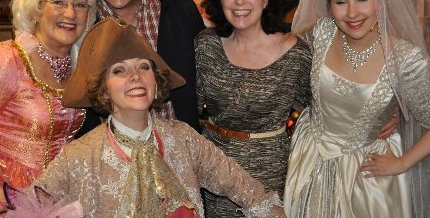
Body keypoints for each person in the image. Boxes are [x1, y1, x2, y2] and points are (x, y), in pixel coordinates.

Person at [2, 18, 287, 217]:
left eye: (143, 67)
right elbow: (26, 208)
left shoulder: (184, 139)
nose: (135, 77)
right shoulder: (79, 156)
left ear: (156, 80)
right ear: (103, 88)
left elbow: (250, 193)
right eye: (119, 71)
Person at [283, 0, 430, 218]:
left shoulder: (405, 59)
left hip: (365, 179)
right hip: (308, 161)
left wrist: (401, 163)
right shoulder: (320, 33)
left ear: (381, 0)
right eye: (341, 1)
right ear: (329, 5)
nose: (352, 13)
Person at [195, 0, 312, 217]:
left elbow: (322, 108)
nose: (239, 1)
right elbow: (187, 108)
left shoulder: (295, 52)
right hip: (213, 175)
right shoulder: (206, 46)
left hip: (271, 180)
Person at [76, 0, 205, 137]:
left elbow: (207, 73)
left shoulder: (179, 9)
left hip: (180, 154)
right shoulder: (80, 19)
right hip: (107, 159)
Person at [0, 0, 97, 189]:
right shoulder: (9, 58)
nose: (71, 13)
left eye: (80, 4)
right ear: (36, 9)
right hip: (11, 197)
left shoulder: (81, 64)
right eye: (58, 2)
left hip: (63, 194)